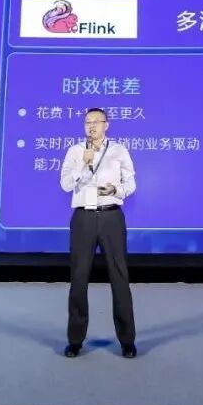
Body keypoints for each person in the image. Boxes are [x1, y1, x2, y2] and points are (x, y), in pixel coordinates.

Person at [59, 108, 137, 358]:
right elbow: (65, 184)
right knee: (79, 277)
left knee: (119, 276)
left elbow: (131, 183)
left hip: (111, 215)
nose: (91, 126)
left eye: (96, 121)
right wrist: (83, 163)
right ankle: (75, 340)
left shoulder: (119, 150)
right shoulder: (75, 151)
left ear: (106, 124)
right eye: (87, 122)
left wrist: (117, 189)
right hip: (83, 217)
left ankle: (127, 340)